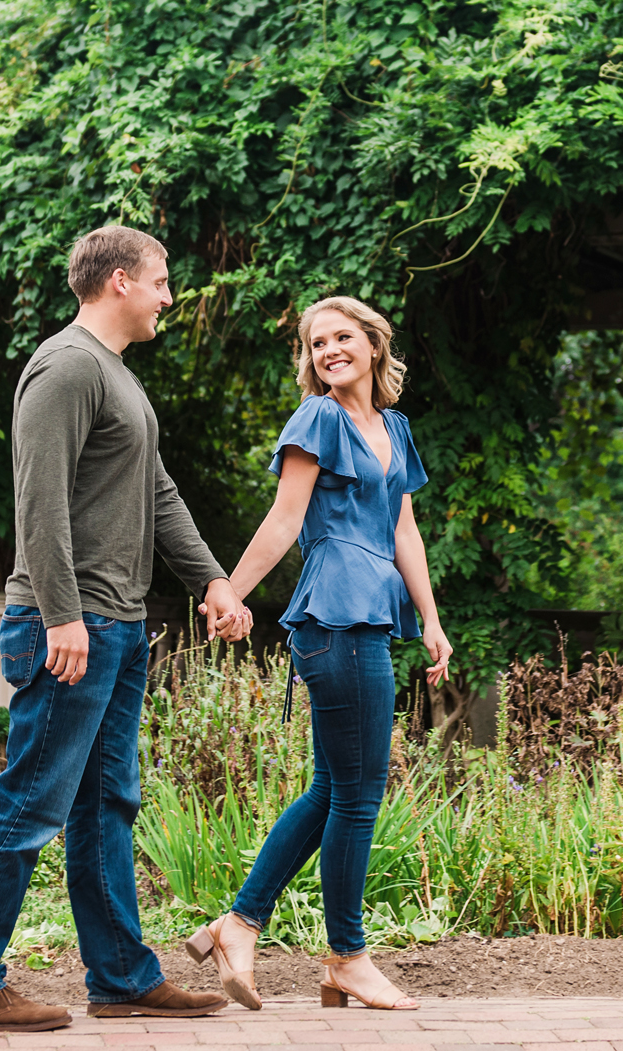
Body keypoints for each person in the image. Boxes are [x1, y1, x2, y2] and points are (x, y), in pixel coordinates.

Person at [0, 225, 242, 1032]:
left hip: (119, 622)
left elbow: (158, 492)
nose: (170, 297)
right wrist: (63, 612)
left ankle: (123, 978)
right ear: (120, 282)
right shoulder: (67, 367)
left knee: (106, 805)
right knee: (31, 801)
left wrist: (211, 579)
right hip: (72, 622)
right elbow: (38, 501)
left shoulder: (119, 379)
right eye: (162, 281)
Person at [182, 294, 454, 1013]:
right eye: (316, 342)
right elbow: (285, 517)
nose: (329, 350)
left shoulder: (393, 426)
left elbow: (405, 533)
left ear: (372, 344)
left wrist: (430, 619)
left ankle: (239, 925)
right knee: (360, 795)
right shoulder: (319, 419)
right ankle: (346, 957)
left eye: (342, 337)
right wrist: (229, 594)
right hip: (333, 614)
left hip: (371, 616)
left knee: (335, 790)